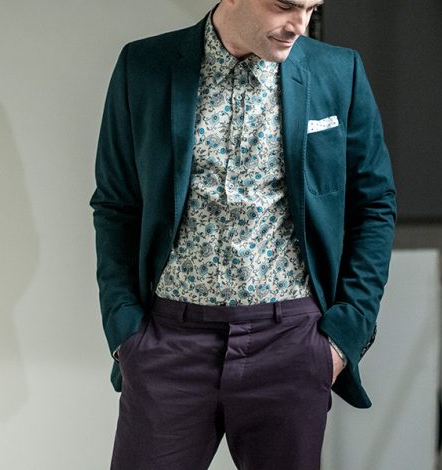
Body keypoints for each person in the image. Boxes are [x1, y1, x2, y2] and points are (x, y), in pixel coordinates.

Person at [90, 0, 396, 468]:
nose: (299, 25)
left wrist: (343, 336)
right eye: (285, 5)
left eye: (311, 8)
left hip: (292, 342)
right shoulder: (144, 65)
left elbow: (374, 205)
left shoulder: (339, 71)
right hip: (168, 343)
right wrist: (124, 329)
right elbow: (116, 204)